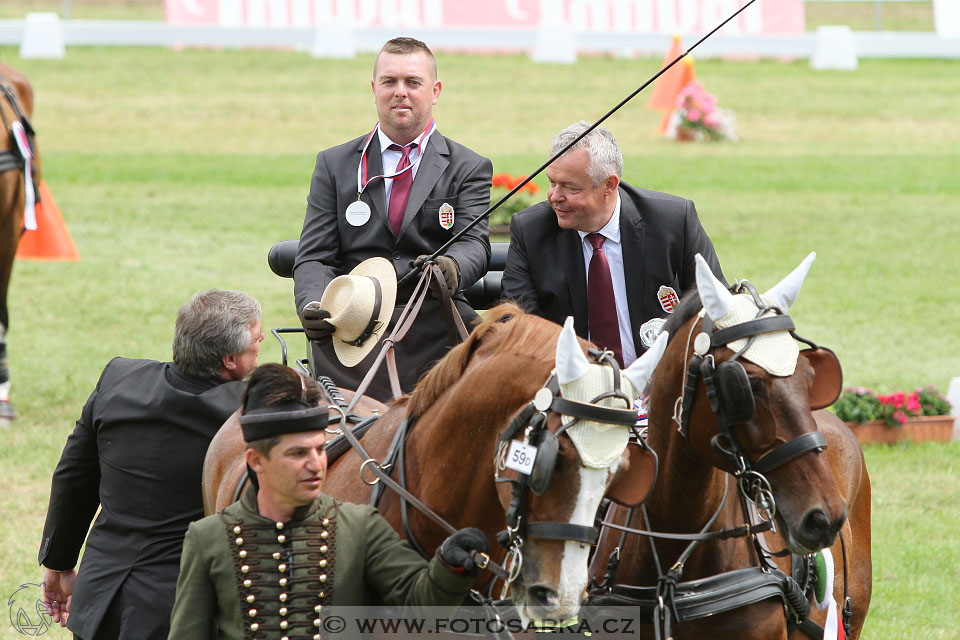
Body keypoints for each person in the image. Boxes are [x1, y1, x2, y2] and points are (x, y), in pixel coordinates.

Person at [167, 363, 490, 638]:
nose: (315, 464)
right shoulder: (207, 539)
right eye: (297, 454)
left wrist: (449, 565)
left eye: (319, 450)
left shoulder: (359, 526)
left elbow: (417, 601)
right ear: (256, 460)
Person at [38, 289, 264, 640]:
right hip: (186, 614)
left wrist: (59, 562)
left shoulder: (118, 378)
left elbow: (74, 477)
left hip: (100, 602)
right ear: (231, 360)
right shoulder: (246, 414)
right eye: (256, 339)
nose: (262, 341)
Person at [293, 36, 493, 402]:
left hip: (435, 318)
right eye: (390, 82)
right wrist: (311, 303)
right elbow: (315, 255)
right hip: (355, 325)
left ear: (435, 91)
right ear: (374, 89)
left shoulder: (468, 167)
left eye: (412, 82)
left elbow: (474, 244)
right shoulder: (335, 165)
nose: (400, 92)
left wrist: (452, 267)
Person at [502, 121, 725, 367]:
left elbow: (716, 304)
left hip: (662, 381)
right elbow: (517, 324)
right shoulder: (531, 229)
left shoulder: (673, 222)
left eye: (570, 187)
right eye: (552, 182)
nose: (555, 196)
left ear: (609, 185)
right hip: (568, 385)